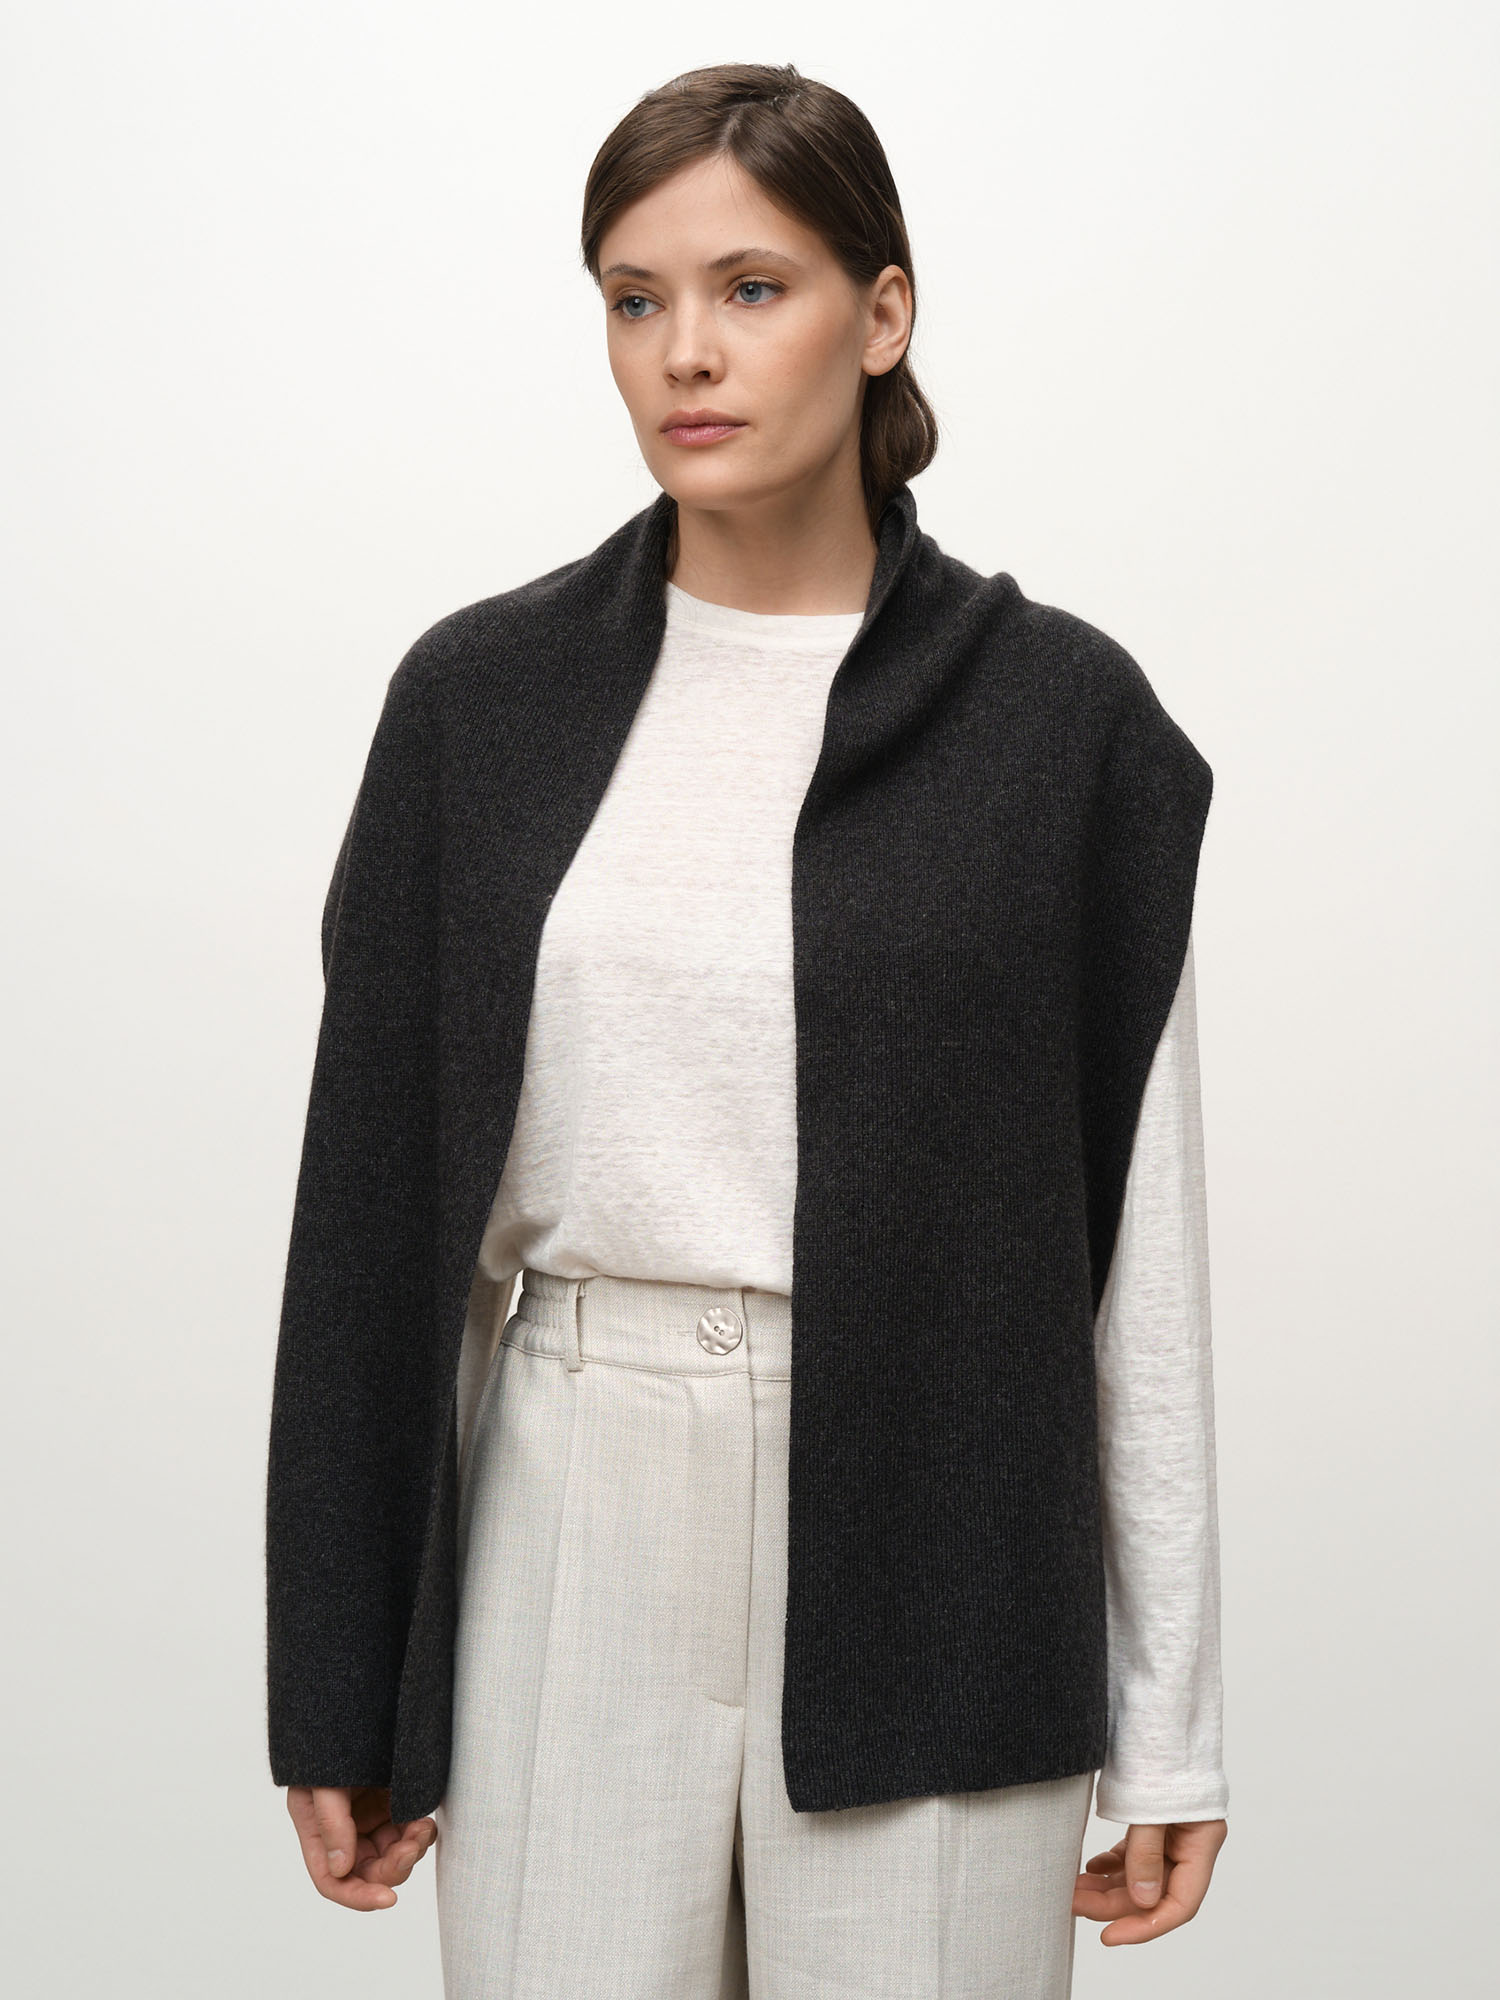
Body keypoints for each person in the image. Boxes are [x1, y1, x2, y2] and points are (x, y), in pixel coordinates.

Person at [268, 60, 1229, 1997]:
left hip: (946, 1524)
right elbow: (374, 1225)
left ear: (883, 314)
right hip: (574, 1496)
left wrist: (1174, 1719)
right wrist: (339, 1671)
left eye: (752, 288)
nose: (685, 353)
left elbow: (1135, 1253)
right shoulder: (478, 705)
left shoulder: (1059, 727)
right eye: (635, 299)